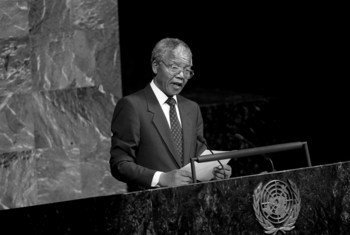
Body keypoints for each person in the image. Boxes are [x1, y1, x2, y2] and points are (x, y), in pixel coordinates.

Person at [110, 38, 231, 192]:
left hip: (191, 205)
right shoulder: (132, 106)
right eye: (175, 67)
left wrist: (215, 171)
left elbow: (199, 157)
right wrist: (162, 178)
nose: (182, 75)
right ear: (155, 66)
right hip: (151, 206)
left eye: (187, 70)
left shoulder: (192, 108)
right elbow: (119, 164)